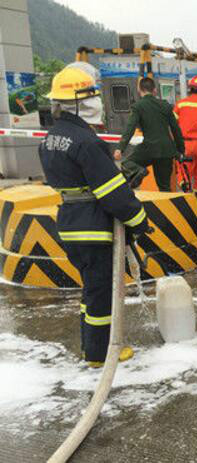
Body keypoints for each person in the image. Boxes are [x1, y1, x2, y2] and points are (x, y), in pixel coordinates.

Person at [38, 67, 151, 368]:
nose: (97, 102)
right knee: (101, 292)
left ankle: (91, 346)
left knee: (91, 289)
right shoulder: (87, 142)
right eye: (92, 97)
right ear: (77, 102)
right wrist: (140, 221)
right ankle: (101, 355)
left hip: (70, 223)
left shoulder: (51, 138)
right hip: (94, 227)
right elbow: (113, 193)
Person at [114, 77, 185, 192]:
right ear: (155, 90)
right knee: (164, 187)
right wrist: (181, 150)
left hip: (149, 148)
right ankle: (167, 209)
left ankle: (140, 171)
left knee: (127, 163)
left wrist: (120, 148)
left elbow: (130, 128)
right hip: (167, 150)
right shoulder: (165, 105)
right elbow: (176, 129)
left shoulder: (138, 106)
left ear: (139, 89)